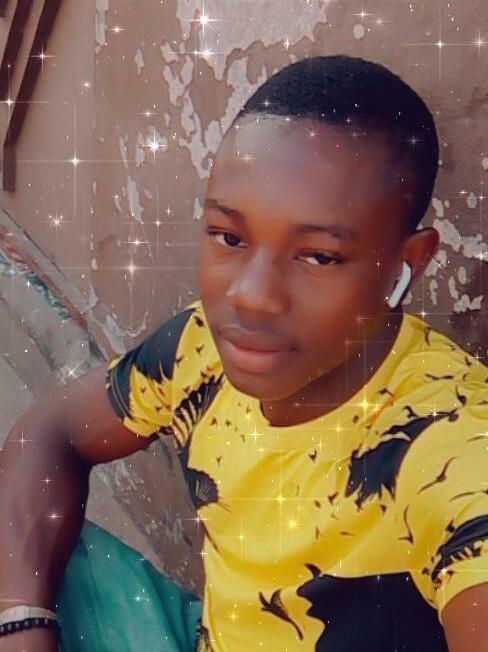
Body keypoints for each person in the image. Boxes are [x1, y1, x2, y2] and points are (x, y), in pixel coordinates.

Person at [0, 54, 487, 652]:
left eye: (319, 256)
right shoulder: (200, 347)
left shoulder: (452, 448)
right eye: (230, 237)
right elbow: (51, 431)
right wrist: (22, 622)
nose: (251, 296)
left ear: (407, 263)